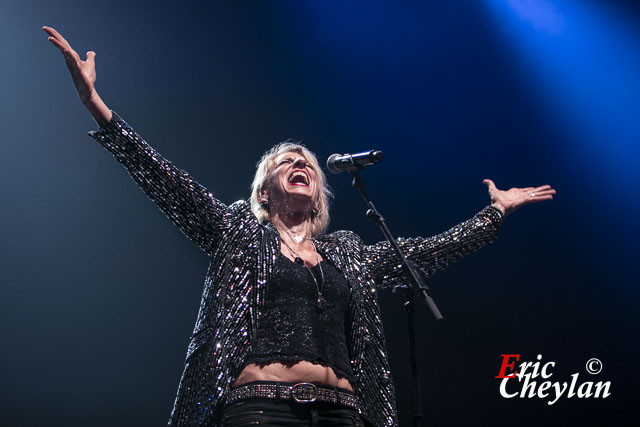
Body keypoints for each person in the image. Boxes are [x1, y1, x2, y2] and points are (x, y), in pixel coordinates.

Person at [43, 26, 556, 427]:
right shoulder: (239, 231)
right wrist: (98, 106)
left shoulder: (347, 252)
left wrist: (496, 213)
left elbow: (422, 253)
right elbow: (167, 180)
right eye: (287, 161)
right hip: (261, 408)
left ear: (319, 193)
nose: (300, 163)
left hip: (343, 410)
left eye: (306, 160)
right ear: (264, 191)